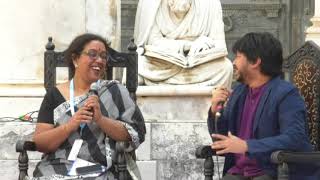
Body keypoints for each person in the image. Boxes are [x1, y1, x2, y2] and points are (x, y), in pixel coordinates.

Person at [32, 33, 146, 179]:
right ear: (75, 59)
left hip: (104, 167)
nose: (99, 60)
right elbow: (40, 143)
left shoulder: (115, 91)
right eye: (92, 54)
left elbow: (135, 133)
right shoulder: (54, 95)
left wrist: (100, 120)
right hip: (58, 167)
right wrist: (70, 125)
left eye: (104, 56)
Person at [207, 32, 314, 180]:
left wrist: (247, 146)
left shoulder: (286, 94)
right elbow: (222, 140)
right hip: (239, 172)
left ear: (255, 62)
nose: (233, 62)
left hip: (272, 171)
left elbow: (294, 138)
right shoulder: (239, 92)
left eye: (238, 56)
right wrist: (215, 109)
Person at [134, 0, 233, 86]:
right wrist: (187, 46)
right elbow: (151, 43)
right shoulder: (150, 4)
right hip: (161, 66)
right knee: (135, 67)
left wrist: (207, 43)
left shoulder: (211, 3)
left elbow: (220, 45)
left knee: (226, 68)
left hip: (198, 65)